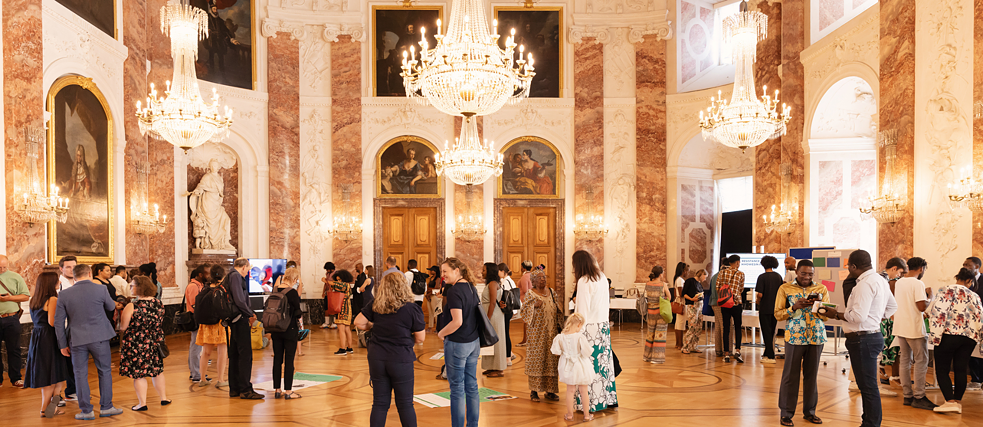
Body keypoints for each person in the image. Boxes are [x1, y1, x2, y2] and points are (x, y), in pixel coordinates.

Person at [825, 250, 897, 427]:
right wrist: (876, 318)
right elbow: (892, 307)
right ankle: (868, 421)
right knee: (867, 385)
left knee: (868, 386)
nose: (848, 269)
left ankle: (871, 424)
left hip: (862, 339)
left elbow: (857, 316)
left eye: (848, 266)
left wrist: (835, 314)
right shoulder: (881, 280)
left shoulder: (864, 285)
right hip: (871, 336)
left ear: (854, 266)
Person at [354, 271, 425, 427]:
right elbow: (421, 338)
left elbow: (358, 322)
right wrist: (406, 337)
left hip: (377, 358)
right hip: (401, 358)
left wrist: (373, 326)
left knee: (379, 403)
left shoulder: (375, 305)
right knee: (405, 404)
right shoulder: (412, 309)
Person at [53, 264, 122, 420]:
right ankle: (106, 407)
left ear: (74, 276)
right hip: (99, 337)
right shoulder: (100, 289)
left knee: (80, 374)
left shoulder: (64, 294)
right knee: (104, 371)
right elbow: (111, 306)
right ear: (90, 273)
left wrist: (62, 344)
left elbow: (59, 322)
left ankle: (86, 411)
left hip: (76, 339)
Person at [774, 259, 829, 426]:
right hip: (794, 337)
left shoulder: (821, 288)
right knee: (790, 375)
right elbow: (778, 314)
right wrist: (794, 307)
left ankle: (810, 412)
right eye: (803, 273)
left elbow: (826, 315)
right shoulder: (785, 288)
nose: (807, 277)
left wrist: (818, 307)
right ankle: (786, 413)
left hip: (816, 336)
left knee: (811, 376)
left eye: (810, 274)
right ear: (796, 272)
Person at [924, 267, 983, 414]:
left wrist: (935, 336)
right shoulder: (974, 296)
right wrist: (979, 338)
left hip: (948, 335)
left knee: (942, 369)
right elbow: (980, 317)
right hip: (969, 337)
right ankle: (957, 401)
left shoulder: (946, 290)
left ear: (958, 278)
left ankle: (949, 401)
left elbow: (938, 312)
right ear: (969, 281)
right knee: (960, 369)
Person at [436, 258, 481, 427]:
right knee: (471, 386)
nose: (443, 275)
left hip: (458, 344)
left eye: (445, 271)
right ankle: (472, 425)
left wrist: (441, 333)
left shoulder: (454, 291)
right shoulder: (471, 287)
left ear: (456, 271)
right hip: (473, 342)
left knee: (456, 389)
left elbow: (457, 321)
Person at [572, 250, 618, 412]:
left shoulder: (584, 281)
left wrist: (576, 332)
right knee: (604, 364)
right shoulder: (602, 277)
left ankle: (590, 402)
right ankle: (606, 398)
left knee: (588, 365)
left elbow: (582, 311)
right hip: (603, 327)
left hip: (589, 328)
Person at [892, 257, 936, 410]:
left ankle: (907, 395)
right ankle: (919, 396)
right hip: (914, 328)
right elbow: (921, 307)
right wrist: (930, 297)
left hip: (900, 326)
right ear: (921, 268)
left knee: (905, 360)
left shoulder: (899, 282)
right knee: (921, 361)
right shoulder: (918, 283)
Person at [119, 276, 169, 411]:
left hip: (136, 343)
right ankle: (163, 398)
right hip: (155, 341)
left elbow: (123, 327)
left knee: (139, 374)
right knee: (157, 371)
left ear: (140, 287)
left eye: (132, 285)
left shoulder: (132, 306)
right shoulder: (158, 303)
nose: (130, 288)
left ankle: (142, 403)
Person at [25, 272, 70, 417]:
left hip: (38, 337)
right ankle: (45, 409)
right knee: (54, 374)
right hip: (50, 338)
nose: (59, 282)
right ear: (52, 283)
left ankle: (52, 407)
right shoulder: (53, 299)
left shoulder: (34, 299)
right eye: (57, 280)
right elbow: (53, 323)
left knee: (54, 374)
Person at [518, 267, 560, 402]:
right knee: (537, 361)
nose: (543, 279)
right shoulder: (530, 294)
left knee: (551, 362)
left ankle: (550, 391)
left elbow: (558, 308)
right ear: (534, 281)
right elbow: (524, 313)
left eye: (544, 277)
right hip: (537, 335)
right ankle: (534, 391)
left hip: (551, 334)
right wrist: (533, 306)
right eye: (540, 278)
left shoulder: (552, 292)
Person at [227, 258, 264, 400]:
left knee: (236, 354)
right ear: (243, 267)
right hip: (239, 319)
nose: (248, 272)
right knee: (245, 355)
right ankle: (245, 389)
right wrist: (250, 314)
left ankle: (235, 388)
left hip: (235, 319)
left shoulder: (230, 275)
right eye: (248, 269)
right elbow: (239, 299)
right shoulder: (236, 276)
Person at [551, 313, 594, 422]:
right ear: (579, 325)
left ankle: (569, 415)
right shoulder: (580, 337)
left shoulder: (560, 337)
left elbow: (556, 352)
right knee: (584, 391)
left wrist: (565, 353)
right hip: (580, 366)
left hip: (567, 366)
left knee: (570, 391)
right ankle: (587, 415)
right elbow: (587, 352)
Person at [270, 267, 303, 399]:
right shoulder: (292, 292)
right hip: (289, 329)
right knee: (289, 360)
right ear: (294, 279)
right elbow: (297, 312)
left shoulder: (275, 290)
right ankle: (288, 391)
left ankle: (277, 390)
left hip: (275, 329)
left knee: (277, 359)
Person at [0, 254, 30, 388]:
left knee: (14, 349)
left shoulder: (15, 277)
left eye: (4, 267)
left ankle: (16, 378)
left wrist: (9, 298)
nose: (2, 269)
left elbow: (25, 297)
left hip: (11, 318)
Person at [196, 265, 228, 388]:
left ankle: (202, 378)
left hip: (205, 324)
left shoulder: (205, 289)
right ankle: (220, 379)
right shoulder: (222, 289)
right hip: (219, 324)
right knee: (222, 352)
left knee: (206, 352)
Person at [55, 255, 77, 401]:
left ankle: (73, 390)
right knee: (63, 362)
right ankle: (61, 394)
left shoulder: (80, 282)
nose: (71, 269)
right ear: (61, 268)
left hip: (78, 329)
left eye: (74, 266)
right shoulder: (58, 285)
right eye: (68, 267)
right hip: (64, 328)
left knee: (75, 362)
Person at [755, 255, 784, 363]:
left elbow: (760, 294)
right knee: (771, 331)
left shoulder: (762, 277)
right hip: (776, 307)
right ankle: (767, 353)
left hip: (765, 308)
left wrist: (757, 300)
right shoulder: (778, 276)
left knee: (766, 331)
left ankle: (770, 356)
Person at [717, 254, 746, 363]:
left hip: (725, 304)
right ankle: (737, 351)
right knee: (738, 327)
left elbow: (717, 287)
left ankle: (726, 354)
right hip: (736, 303)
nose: (738, 264)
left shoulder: (722, 272)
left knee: (726, 328)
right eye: (738, 262)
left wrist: (725, 296)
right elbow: (741, 288)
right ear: (737, 263)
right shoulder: (740, 274)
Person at [480, 263, 507, 378]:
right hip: (492, 314)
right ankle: (491, 366)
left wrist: (487, 318)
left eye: (484, 270)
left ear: (490, 271)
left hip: (493, 316)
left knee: (495, 341)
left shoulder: (492, 284)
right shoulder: (492, 283)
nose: (482, 272)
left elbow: (492, 302)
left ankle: (498, 369)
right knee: (489, 341)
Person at [643, 266, 671, 363]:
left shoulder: (647, 284)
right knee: (660, 334)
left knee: (650, 334)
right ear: (660, 274)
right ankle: (657, 358)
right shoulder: (662, 285)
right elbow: (669, 297)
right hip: (660, 312)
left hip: (650, 312)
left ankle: (647, 356)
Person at [185, 265, 208, 383]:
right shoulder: (194, 286)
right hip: (196, 318)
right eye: (206, 273)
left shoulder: (199, 286)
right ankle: (196, 373)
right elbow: (195, 304)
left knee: (197, 346)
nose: (208, 276)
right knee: (196, 346)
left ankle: (197, 371)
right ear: (200, 274)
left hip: (198, 318)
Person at [330, 269, 356, 355]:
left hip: (343, 310)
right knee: (347, 329)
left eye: (339, 279)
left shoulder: (344, 285)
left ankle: (342, 348)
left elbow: (333, 284)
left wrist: (325, 280)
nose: (338, 281)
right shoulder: (347, 286)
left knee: (341, 329)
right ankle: (349, 347)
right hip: (347, 310)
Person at [681, 269, 705, 354]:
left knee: (698, 327)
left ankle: (694, 346)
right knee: (692, 326)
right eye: (705, 276)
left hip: (700, 306)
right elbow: (684, 294)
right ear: (701, 274)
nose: (705, 279)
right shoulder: (690, 281)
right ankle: (685, 347)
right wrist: (691, 299)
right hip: (692, 305)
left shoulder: (699, 284)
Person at [708, 257, 729, 358]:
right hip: (723, 303)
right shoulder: (726, 275)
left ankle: (718, 350)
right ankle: (727, 350)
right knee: (726, 326)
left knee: (718, 326)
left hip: (713, 303)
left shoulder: (715, 275)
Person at [497, 263, 517, 362]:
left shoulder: (505, 282)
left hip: (507, 310)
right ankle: (510, 353)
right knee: (505, 332)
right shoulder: (510, 280)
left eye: (498, 271)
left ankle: (508, 358)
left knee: (505, 333)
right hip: (511, 309)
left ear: (502, 271)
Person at [671, 262, 689, 350]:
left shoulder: (677, 279)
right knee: (681, 324)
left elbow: (675, 293)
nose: (688, 273)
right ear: (684, 271)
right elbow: (681, 293)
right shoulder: (680, 280)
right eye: (687, 271)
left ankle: (678, 343)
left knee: (678, 323)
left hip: (678, 301)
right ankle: (680, 344)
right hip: (682, 303)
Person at [516, 260, 533, 347]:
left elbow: (526, 290)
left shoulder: (524, 277)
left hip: (525, 301)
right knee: (529, 321)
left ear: (523, 268)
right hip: (531, 301)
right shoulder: (532, 275)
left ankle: (525, 340)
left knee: (525, 321)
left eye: (521, 266)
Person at [426, 265, 443, 333]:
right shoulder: (431, 278)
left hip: (434, 296)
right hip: (429, 296)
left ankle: (437, 327)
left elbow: (436, 288)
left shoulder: (438, 278)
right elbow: (428, 287)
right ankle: (430, 326)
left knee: (435, 312)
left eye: (431, 270)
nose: (430, 271)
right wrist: (428, 293)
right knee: (430, 312)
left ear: (435, 271)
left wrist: (430, 291)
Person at [321, 262, 337, 329]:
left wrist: (326, 281)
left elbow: (334, 283)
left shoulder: (336, 274)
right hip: (327, 293)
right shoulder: (327, 274)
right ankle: (327, 322)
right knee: (326, 307)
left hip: (333, 293)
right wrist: (323, 292)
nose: (326, 271)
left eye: (327, 269)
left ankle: (334, 322)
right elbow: (326, 284)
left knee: (333, 308)